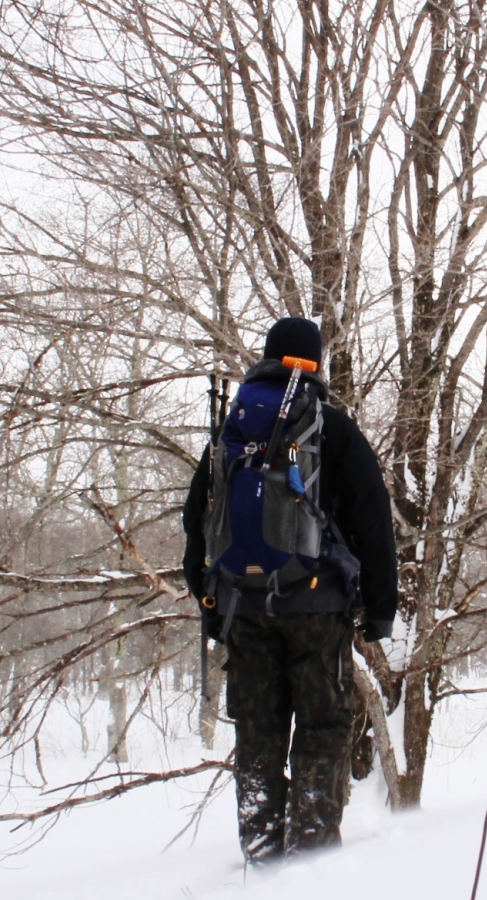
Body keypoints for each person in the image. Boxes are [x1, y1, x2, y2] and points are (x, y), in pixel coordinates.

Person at [183, 316, 398, 863]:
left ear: (268, 358)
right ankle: (311, 861)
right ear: (315, 364)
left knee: (257, 736)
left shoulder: (230, 430)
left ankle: (262, 856)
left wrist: (210, 605)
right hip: (318, 607)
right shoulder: (331, 428)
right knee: (323, 730)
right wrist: (380, 611)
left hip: (242, 611)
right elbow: (374, 522)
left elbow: (198, 521)